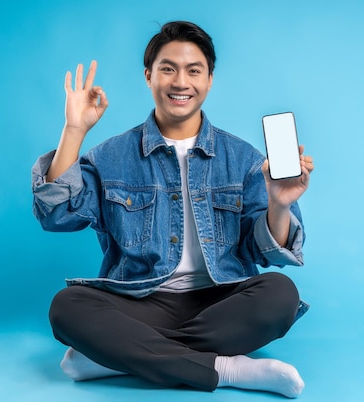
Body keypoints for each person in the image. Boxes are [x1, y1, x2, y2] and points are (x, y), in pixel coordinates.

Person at [31, 21, 314, 398]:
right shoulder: (111, 156)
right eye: (168, 69)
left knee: (281, 294)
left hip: (220, 301)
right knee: (66, 307)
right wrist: (74, 130)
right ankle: (226, 368)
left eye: (194, 70)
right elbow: (57, 215)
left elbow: (263, 254)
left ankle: (114, 355)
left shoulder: (244, 158)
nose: (181, 82)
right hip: (140, 302)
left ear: (210, 79)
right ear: (149, 76)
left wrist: (279, 205)